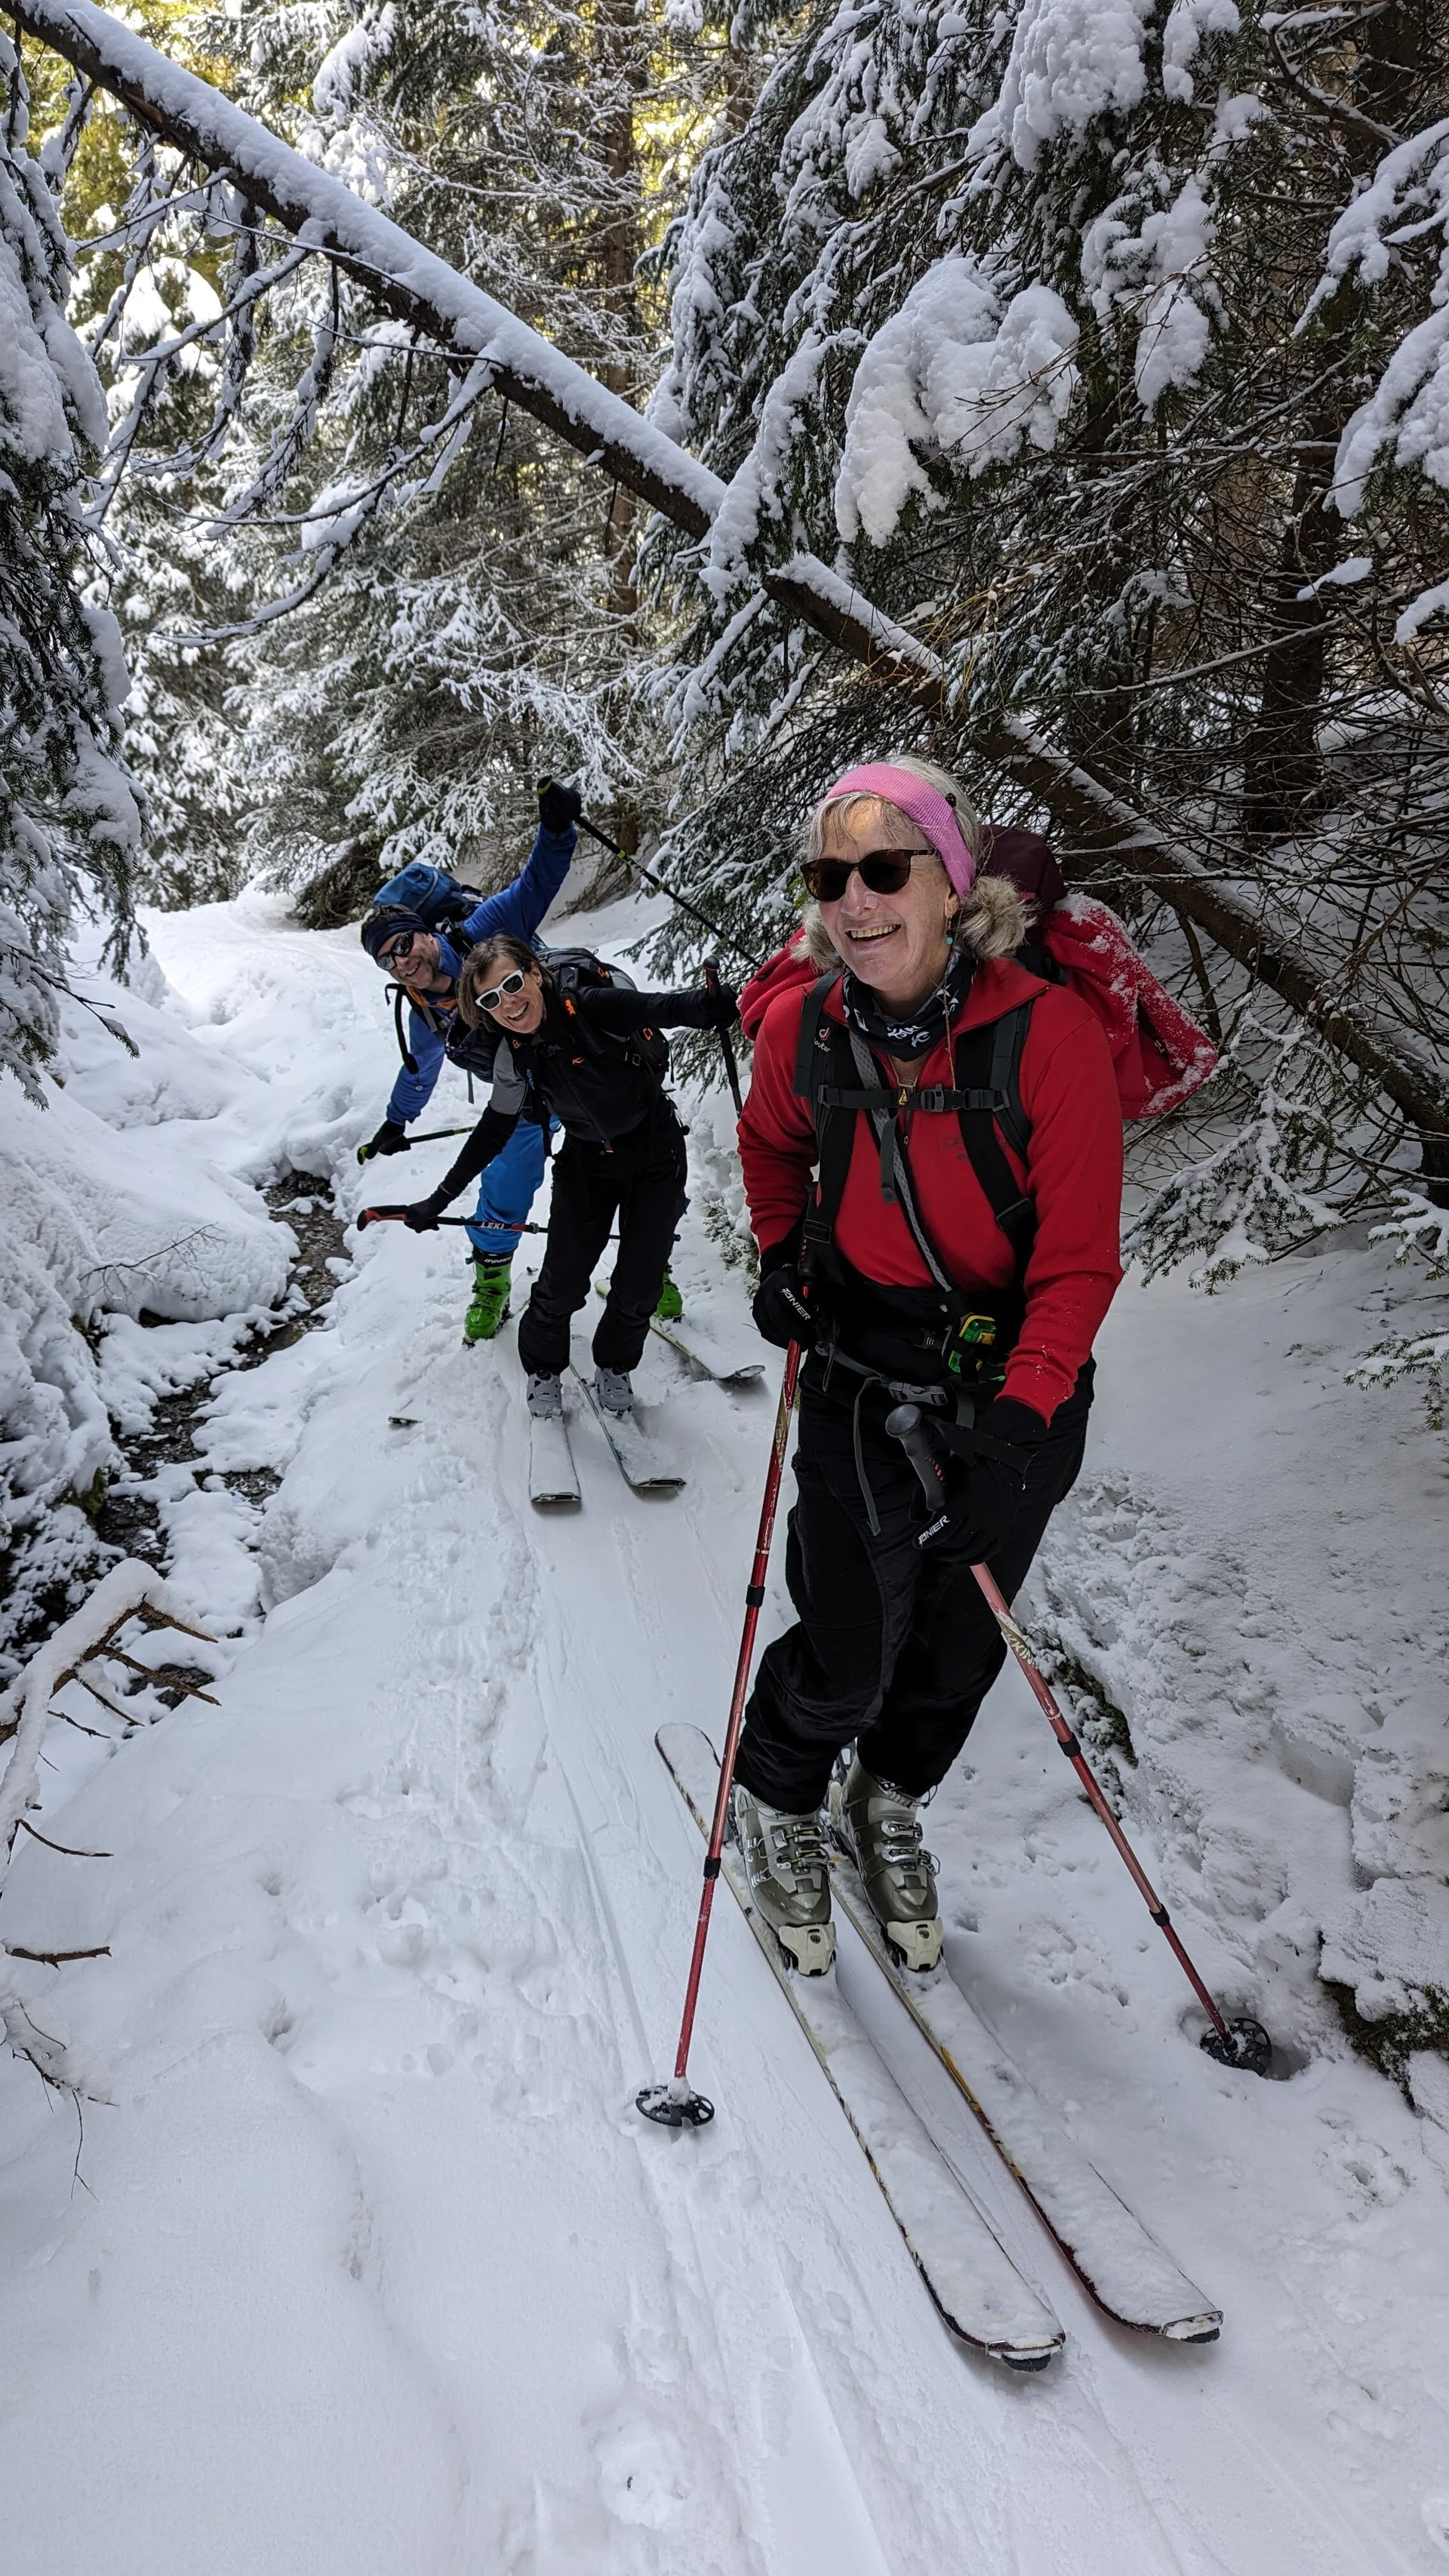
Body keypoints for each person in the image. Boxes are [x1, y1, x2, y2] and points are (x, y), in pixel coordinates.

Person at [733, 755, 1124, 1974]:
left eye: (886, 867)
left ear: (954, 886)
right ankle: (781, 1791)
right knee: (850, 1632)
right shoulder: (804, 1026)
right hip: (859, 1369)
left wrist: (1019, 1423)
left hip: (1018, 1395)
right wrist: (781, 1249)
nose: (856, 899)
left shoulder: (1046, 1034)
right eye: (832, 873)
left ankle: (886, 1795)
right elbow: (772, 1142)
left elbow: (1078, 1261)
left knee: (960, 1641)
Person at [393, 936, 737, 1415]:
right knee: (563, 1281)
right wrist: (439, 1198)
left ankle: (615, 1365)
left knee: (640, 1284)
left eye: (513, 984)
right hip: (587, 1163)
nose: (508, 1003)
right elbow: (493, 1131)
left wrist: (710, 1005)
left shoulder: (591, 1006)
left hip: (655, 1152)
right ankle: (542, 1368)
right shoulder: (513, 1054)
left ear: (536, 973)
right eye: (492, 999)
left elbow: (662, 1007)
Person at [358, 780, 581, 1343]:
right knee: (505, 1184)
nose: (400, 964)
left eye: (402, 946)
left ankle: (654, 1267)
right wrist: (396, 1120)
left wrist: (555, 830)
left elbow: (534, 886)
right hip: (521, 1103)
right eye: (387, 961)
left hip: (579, 1070)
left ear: (425, 934)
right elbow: (418, 1071)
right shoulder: (422, 1011)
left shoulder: (484, 933)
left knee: (620, 1166)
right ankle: (491, 1279)